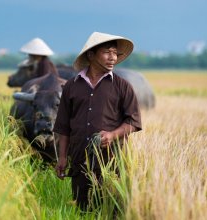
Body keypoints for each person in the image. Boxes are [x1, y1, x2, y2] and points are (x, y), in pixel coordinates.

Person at [53, 32, 142, 210]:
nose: (113, 58)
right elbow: (63, 126)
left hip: (110, 162)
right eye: (107, 52)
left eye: (115, 53)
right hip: (79, 161)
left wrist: (112, 134)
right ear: (91, 54)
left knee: (110, 209)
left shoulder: (122, 86)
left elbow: (134, 122)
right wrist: (62, 157)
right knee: (82, 209)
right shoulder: (72, 85)